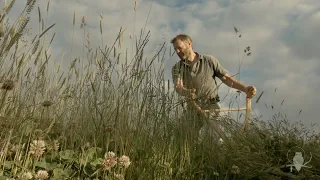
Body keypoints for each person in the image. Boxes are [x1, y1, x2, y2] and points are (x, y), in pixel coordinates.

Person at [171, 34, 256, 142]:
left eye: (179, 48)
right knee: (184, 139)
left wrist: (245, 89)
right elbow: (178, 87)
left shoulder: (209, 60)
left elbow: (226, 79)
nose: (177, 52)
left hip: (211, 106)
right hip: (192, 108)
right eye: (175, 49)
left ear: (189, 44)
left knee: (211, 138)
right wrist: (187, 92)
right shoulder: (177, 68)